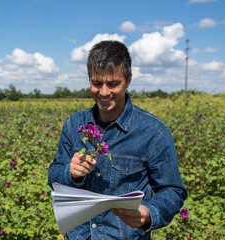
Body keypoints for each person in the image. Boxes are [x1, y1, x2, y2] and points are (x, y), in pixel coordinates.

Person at [48, 40, 187, 240]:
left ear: (128, 80)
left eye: (113, 83)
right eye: (97, 83)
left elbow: (172, 190)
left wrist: (149, 214)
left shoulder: (153, 131)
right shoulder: (74, 124)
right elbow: (53, 177)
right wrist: (70, 174)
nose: (104, 92)